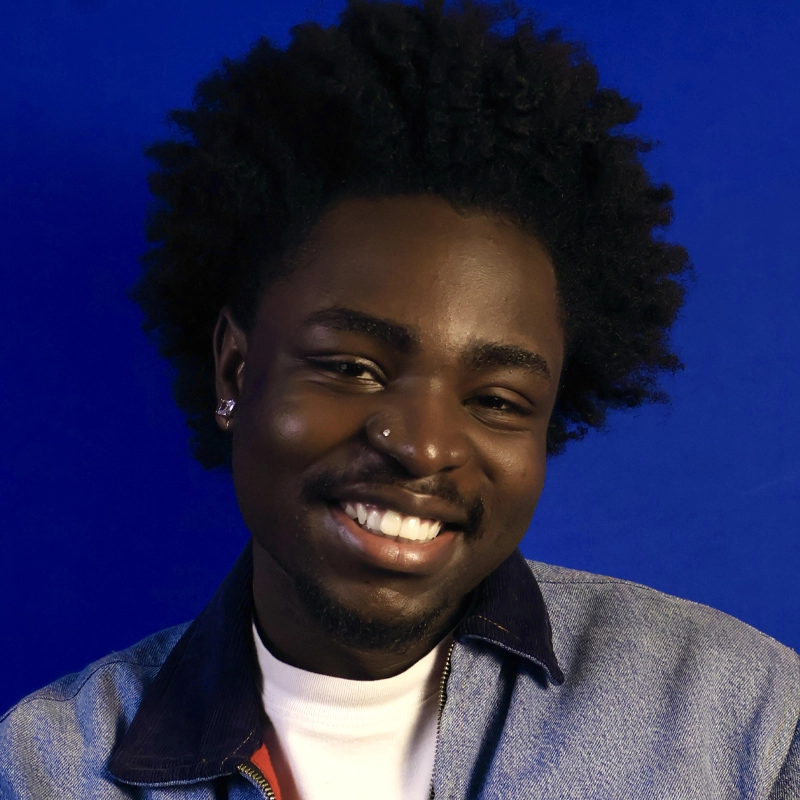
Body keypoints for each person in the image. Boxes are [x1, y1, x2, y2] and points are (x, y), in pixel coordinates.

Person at [1, 0, 798, 797]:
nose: (422, 447)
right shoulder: (46, 769)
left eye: (498, 400)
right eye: (354, 367)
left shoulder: (745, 722)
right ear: (236, 370)